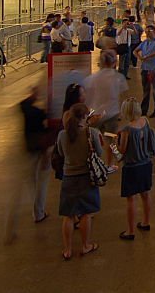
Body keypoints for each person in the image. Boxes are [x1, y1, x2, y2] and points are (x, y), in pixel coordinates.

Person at [54, 103, 103, 260]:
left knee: (68, 215)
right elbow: (99, 152)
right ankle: (85, 245)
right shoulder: (92, 133)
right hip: (86, 177)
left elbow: (61, 153)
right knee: (86, 214)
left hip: (68, 177)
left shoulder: (62, 135)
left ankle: (67, 249)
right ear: (85, 116)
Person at [6, 85, 52, 244]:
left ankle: (35, 212)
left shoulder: (26, 109)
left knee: (30, 181)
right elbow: (47, 132)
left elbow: (22, 104)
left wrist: (33, 95)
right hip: (40, 150)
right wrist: (47, 154)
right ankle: (38, 212)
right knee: (42, 182)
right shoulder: (39, 114)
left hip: (28, 149)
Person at [117, 97, 155, 240]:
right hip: (146, 164)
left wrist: (114, 144)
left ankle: (130, 230)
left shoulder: (126, 130)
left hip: (131, 167)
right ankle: (146, 222)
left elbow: (122, 150)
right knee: (145, 195)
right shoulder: (145, 122)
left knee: (131, 199)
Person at [134, 25, 155, 117]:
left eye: (149, 31)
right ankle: (144, 110)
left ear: (154, 31)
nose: (147, 34)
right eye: (146, 32)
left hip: (154, 69)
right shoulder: (144, 42)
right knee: (146, 91)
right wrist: (140, 57)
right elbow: (135, 51)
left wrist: (148, 56)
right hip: (145, 69)